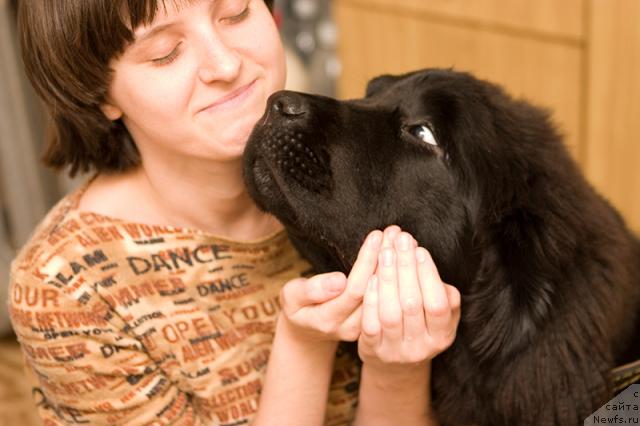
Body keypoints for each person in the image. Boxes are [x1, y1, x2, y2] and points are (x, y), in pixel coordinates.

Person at [9, 1, 461, 425]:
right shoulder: (68, 287)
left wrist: (396, 370)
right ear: (99, 92)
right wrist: (304, 348)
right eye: (165, 54)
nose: (226, 66)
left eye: (236, 13)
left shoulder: (356, 183)